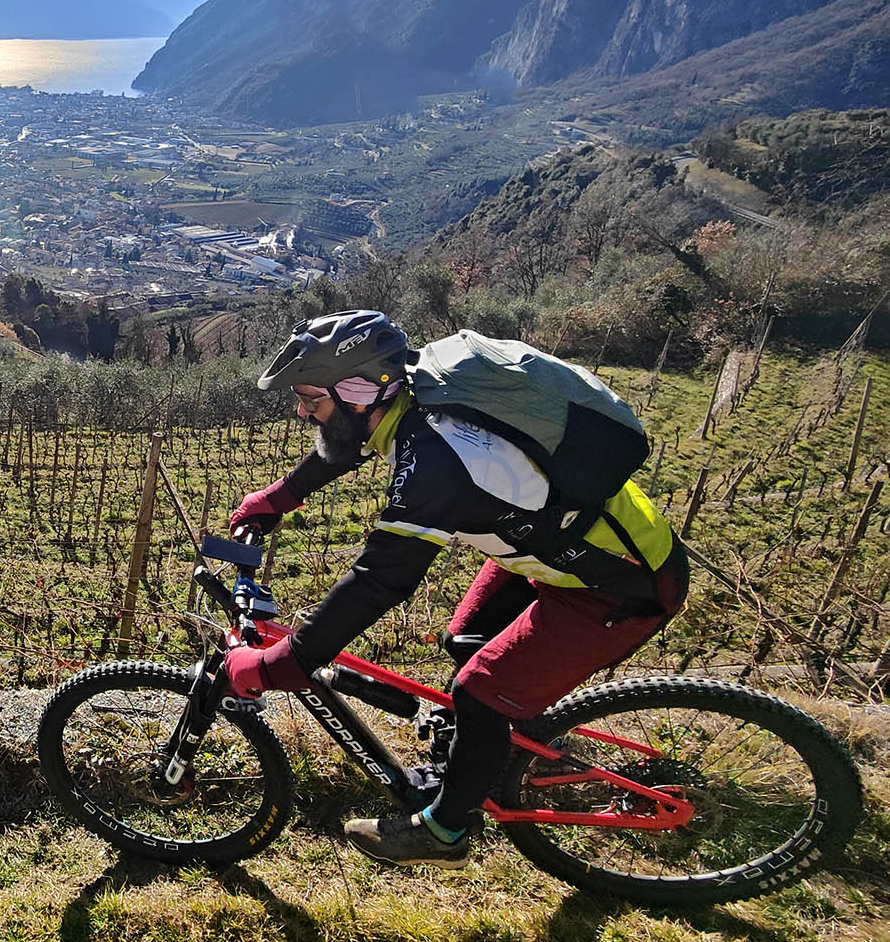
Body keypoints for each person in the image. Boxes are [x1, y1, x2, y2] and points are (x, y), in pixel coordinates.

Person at [225, 310, 688, 868]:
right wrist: (280, 496)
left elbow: (381, 580)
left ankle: (445, 832)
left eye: (310, 399)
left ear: (359, 392)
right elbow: (346, 439)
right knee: (467, 641)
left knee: (479, 691)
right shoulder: (411, 392)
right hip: (558, 550)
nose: (302, 411)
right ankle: (518, 748)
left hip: (619, 584)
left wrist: (286, 663)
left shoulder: (437, 460)